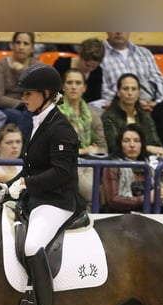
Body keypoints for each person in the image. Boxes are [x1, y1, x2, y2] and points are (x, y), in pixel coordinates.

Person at [2, 65, 86, 305]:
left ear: (46, 94)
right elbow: (32, 166)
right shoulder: (38, 123)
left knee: (32, 244)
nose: (24, 98)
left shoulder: (61, 129)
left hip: (57, 201)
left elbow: (61, 173)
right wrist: (12, 183)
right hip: (37, 198)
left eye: (29, 93)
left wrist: (26, 185)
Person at [58, 67, 108, 204]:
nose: (74, 87)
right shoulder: (54, 113)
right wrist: (85, 150)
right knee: (89, 192)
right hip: (63, 163)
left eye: (78, 83)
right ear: (63, 87)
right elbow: (57, 148)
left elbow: (102, 147)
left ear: (84, 88)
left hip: (89, 162)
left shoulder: (93, 113)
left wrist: (89, 153)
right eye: (69, 83)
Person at [102, 123, 163, 213]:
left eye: (137, 141)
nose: (132, 145)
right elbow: (113, 200)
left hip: (149, 214)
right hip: (121, 216)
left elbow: (157, 194)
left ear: (142, 144)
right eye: (126, 141)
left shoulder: (150, 165)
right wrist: (146, 198)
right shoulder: (112, 166)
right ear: (120, 144)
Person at [100, 73, 163, 157]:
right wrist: (147, 148)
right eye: (125, 89)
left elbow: (157, 145)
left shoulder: (145, 116)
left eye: (134, 89)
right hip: (119, 163)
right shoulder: (109, 117)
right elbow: (115, 147)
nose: (130, 93)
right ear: (118, 92)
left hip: (146, 162)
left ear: (139, 93)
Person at [100, 32, 163, 111]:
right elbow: (103, 90)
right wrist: (130, 103)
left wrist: (158, 104)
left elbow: (159, 81)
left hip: (149, 107)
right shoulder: (100, 55)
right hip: (116, 109)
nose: (119, 32)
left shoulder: (145, 53)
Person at [0, 32, 39, 138]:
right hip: (5, 107)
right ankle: (22, 147)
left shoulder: (37, 66)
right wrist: (21, 103)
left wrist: (22, 71)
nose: (21, 47)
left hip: (30, 107)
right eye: (18, 43)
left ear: (32, 48)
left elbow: (39, 91)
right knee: (19, 115)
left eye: (26, 44)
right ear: (12, 45)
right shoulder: (0, 65)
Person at [52, 37, 105, 104]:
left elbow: (96, 99)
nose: (90, 69)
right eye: (87, 65)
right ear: (80, 56)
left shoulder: (97, 71)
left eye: (94, 66)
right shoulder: (61, 65)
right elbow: (52, 92)